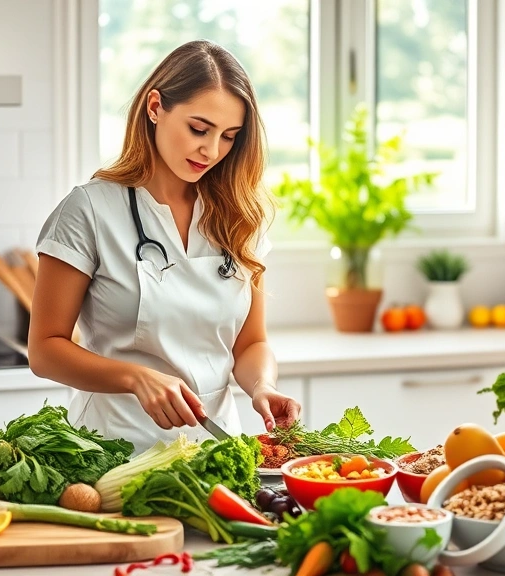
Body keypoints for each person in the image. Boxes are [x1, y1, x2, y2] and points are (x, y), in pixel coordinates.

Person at [28, 40, 301, 453]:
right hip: (111, 455)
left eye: (229, 136)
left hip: (215, 454)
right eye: (199, 129)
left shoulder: (240, 216)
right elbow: (45, 350)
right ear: (155, 107)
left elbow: (250, 344)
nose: (211, 151)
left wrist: (262, 386)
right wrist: (135, 377)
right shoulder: (89, 210)